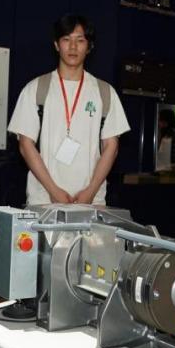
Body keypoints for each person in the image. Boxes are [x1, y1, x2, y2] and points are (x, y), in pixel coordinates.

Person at [8, 14, 130, 205]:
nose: (73, 47)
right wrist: (53, 190)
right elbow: (25, 145)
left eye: (80, 40)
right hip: (43, 200)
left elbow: (111, 147)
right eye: (66, 39)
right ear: (56, 45)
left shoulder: (105, 92)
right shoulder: (36, 89)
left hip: (91, 202)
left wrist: (90, 192)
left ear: (89, 46)